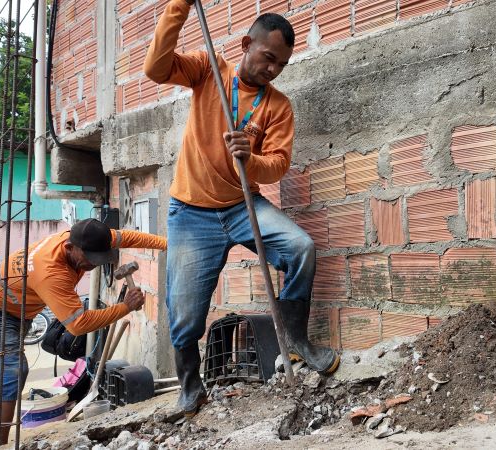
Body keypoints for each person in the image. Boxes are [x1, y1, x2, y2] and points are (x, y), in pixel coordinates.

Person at [144, 0, 340, 419]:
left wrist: (250, 157)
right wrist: (179, 6)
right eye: (269, 58)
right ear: (247, 42)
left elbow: (279, 164)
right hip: (191, 213)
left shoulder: (277, 107)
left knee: (300, 248)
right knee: (184, 310)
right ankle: (190, 387)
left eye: (281, 65)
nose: (272, 70)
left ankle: (296, 340)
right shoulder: (207, 70)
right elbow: (155, 69)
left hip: (242, 205)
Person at [0, 218, 167, 450]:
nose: (92, 265)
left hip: (5, 309)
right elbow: (78, 325)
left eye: (98, 258)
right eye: (89, 259)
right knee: (8, 374)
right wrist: (125, 307)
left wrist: (168, 244)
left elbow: (130, 237)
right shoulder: (51, 271)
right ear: (70, 247)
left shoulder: (89, 236)